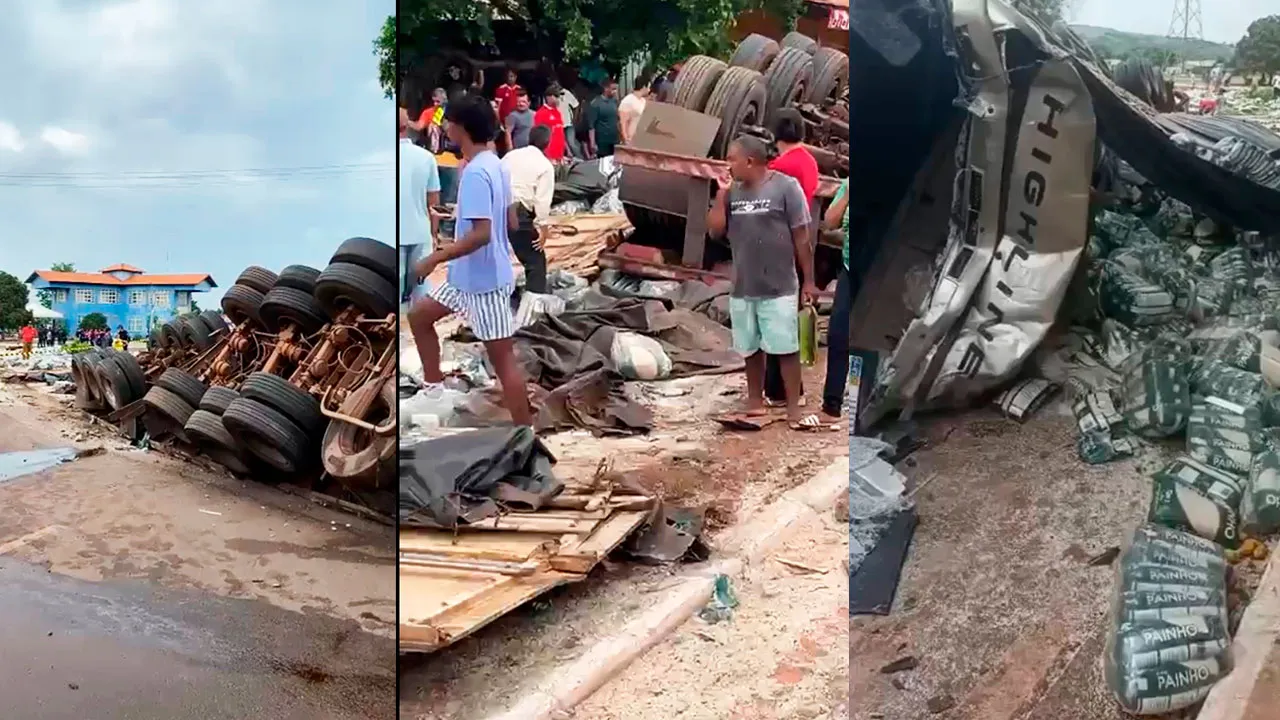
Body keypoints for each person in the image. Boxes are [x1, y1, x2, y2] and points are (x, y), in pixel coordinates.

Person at [409, 94, 534, 427]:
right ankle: (433, 387)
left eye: (448, 121)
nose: (445, 126)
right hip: (463, 278)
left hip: (484, 283)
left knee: (503, 361)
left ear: (461, 127)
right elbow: (510, 222)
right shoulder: (495, 164)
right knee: (420, 316)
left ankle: (526, 434)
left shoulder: (477, 173)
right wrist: (461, 214)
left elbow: (482, 235)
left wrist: (435, 257)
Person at [707, 135, 821, 430]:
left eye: (732, 159)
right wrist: (721, 195)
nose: (727, 165)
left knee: (785, 348)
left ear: (750, 161)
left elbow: (802, 237)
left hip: (779, 284)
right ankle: (755, 404)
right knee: (750, 348)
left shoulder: (786, 187)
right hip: (744, 285)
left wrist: (809, 281)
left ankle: (793, 408)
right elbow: (714, 232)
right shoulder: (731, 192)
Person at [763, 108, 821, 411]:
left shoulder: (782, 166)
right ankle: (785, 389)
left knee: (777, 321)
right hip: (799, 241)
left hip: (781, 246)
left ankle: (784, 391)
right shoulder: (809, 162)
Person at [501, 124, 555, 295]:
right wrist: (543, 229)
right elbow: (542, 201)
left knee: (499, 258)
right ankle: (533, 309)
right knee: (535, 263)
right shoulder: (545, 165)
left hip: (497, 209)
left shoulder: (511, 156)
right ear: (547, 143)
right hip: (518, 214)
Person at [400, 106, 442, 305]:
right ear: (406, 126)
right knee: (420, 294)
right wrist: (434, 234)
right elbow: (433, 203)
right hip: (421, 233)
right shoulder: (426, 158)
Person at [586, 78, 621, 158]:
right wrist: (592, 143)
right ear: (606, 88)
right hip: (602, 141)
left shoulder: (615, 101)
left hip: (615, 140)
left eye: (616, 89)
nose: (615, 91)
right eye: (613, 89)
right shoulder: (596, 104)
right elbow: (591, 126)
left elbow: (618, 120)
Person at [532, 86, 567, 162]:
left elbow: (561, 133)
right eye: (556, 97)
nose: (558, 100)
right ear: (549, 97)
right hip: (549, 156)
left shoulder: (557, 112)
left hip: (560, 154)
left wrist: (566, 150)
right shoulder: (541, 113)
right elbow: (539, 136)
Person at [618, 76, 650, 146]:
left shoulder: (643, 101)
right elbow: (623, 122)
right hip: (628, 139)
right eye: (648, 87)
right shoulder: (628, 101)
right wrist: (625, 139)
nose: (649, 90)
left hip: (637, 140)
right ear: (644, 87)